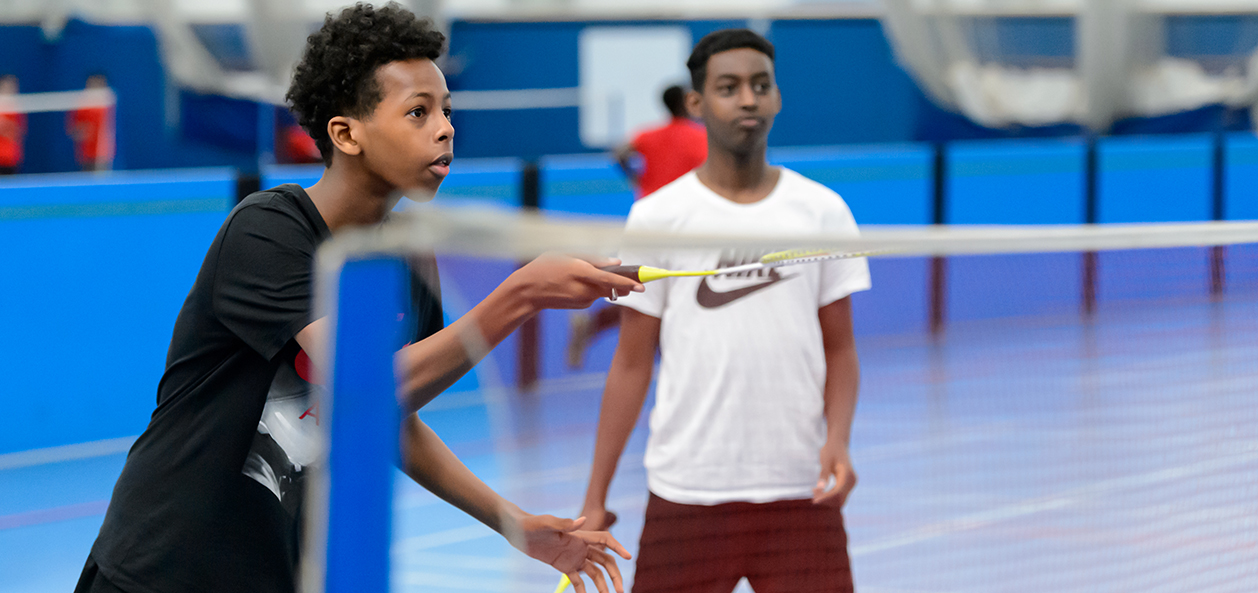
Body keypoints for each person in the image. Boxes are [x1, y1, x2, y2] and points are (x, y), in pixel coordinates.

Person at [74, 5, 639, 593]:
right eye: (418, 112)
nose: (445, 128)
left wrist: (512, 522)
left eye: (447, 110)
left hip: (278, 574)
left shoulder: (410, 263)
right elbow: (363, 383)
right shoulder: (269, 229)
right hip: (161, 568)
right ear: (346, 133)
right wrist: (521, 294)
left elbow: (389, 416)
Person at [579, 29, 870, 593]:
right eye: (729, 87)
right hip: (688, 491)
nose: (748, 99)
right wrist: (596, 495)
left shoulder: (823, 211)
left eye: (761, 86)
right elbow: (632, 362)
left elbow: (841, 346)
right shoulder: (659, 217)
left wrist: (838, 440)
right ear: (697, 103)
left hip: (799, 492)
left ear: (778, 98)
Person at [567, 86, 707, 368]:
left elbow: (620, 153)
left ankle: (594, 323)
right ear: (688, 103)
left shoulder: (648, 135)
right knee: (673, 294)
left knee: (643, 290)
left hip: (647, 221)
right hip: (680, 227)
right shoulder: (699, 137)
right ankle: (672, 361)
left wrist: (635, 177)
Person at [67, 74, 114, 172]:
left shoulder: (107, 104)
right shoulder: (82, 105)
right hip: (85, 154)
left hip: (103, 153)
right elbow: (74, 130)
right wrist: (81, 131)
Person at [0, 74, 26, 175]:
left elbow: (18, 132)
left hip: (10, 158)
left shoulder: (17, 109)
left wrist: (3, 125)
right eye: (6, 87)